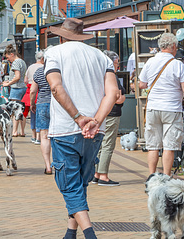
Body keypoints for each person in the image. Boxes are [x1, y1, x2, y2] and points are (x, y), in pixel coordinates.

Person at [44, 18, 119, 239]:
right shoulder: (102, 57)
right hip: (95, 131)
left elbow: (55, 88)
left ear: (61, 35)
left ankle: (90, 234)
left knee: (69, 185)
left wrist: (78, 118)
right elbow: (112, 93)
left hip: (66, 128)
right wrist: (95, 120)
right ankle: (70, 232)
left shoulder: (55, 53)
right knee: (79, 183)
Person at [138, 32, 184, 175]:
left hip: (153, 108)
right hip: (172, 108)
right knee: (169, 146)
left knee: (153, 146)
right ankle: (166, 177)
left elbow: (142, 84)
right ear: (173, 47)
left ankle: (151, 176)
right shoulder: (177, 64)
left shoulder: (150, 62)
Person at [91, 51, 126, 186]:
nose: (117, 67)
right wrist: (121, 97)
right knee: (108, 144)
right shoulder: (111, 77)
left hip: (99, 113)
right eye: (116, 64)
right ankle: (103, 175)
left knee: (99, 144)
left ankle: (96, 173)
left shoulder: (96, 76)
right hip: (111, 113)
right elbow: (117, 97)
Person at [30, 53, 52, 174]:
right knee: (58, 135)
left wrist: (32, 103)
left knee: (44, 136)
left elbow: (33, 90)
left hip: (42, 104)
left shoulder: (39, 71)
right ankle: (59, 163)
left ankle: (48, 166)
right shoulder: (60, 70)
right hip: (58, 104)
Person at [2, 46, 27, 137]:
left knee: (15, 110)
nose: (8, 60)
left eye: (8, 57)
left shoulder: (16, 63)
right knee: (22, 110)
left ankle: (15, 131)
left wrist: (8, 84)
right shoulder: (22, 61)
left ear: (12, 54)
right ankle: (22, 131)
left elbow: (17, 76)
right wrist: (9, 81)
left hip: (16, 88)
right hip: (22, 87)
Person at [26, 51, 45, 144]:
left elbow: (26, 80)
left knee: (33, 115)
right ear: (42, 59)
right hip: (41, 92)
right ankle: (39, 137)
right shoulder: (43, 68)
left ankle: (33, 136)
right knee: (40, 116)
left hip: (31, 91)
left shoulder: (30, 67)